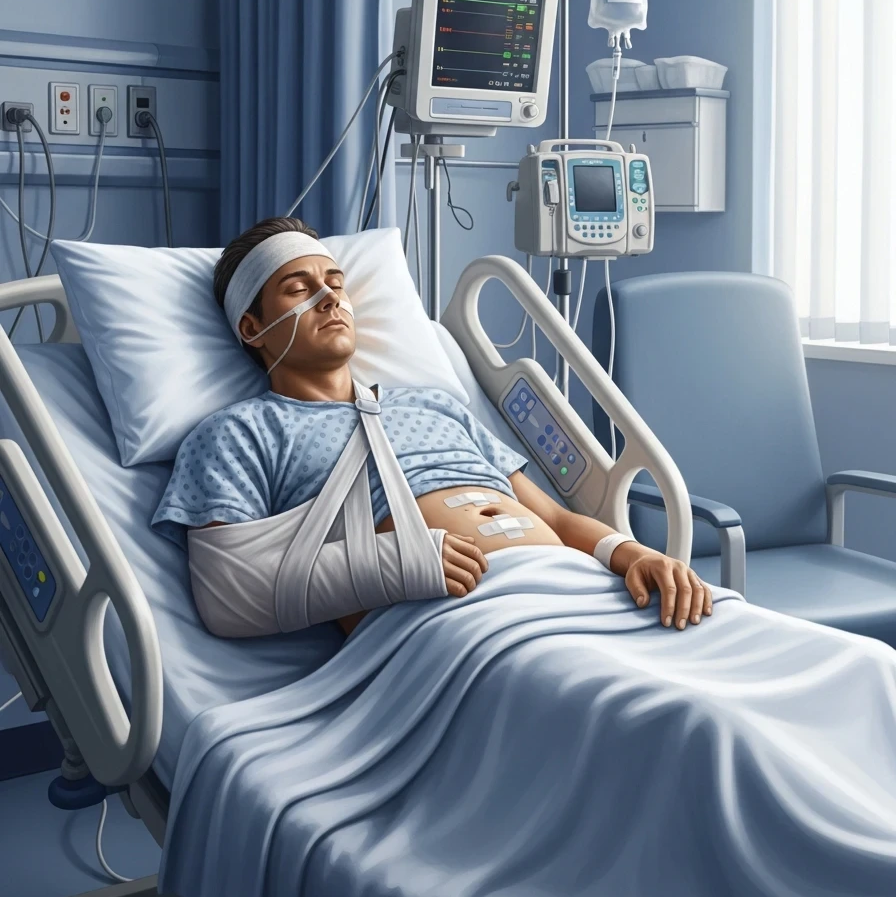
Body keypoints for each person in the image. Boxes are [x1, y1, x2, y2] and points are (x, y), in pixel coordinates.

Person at [152, 217, 712, 635]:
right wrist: (394, 566)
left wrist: (631, 553)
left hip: (576, 590)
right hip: (448, 626)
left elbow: (559, 520)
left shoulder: (434, 404)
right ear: (253, 328)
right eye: (299, 289)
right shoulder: (237, 434)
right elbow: (229, 597)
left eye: (336, 282)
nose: (329, 297)